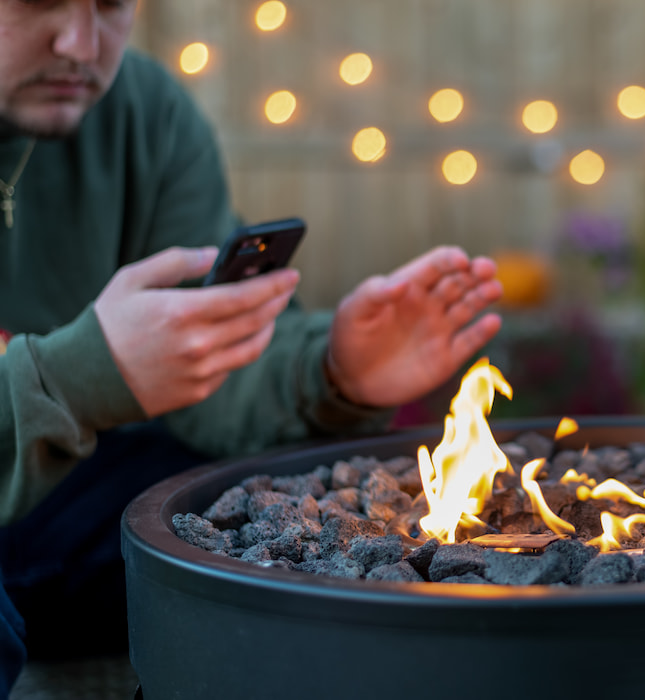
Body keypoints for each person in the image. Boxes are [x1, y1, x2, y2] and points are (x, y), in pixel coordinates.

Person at [0, 0, 503, 691]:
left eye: (112, 5)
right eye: (37, 2)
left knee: (284, 532)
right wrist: (71, 381)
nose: (81, 44)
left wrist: (332, 371)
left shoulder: (143, 111)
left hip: (81, 501)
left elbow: (217, 376)